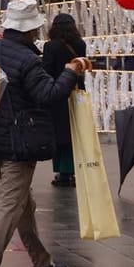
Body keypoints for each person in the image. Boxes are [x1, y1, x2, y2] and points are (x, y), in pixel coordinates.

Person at [0, 0, 86, 267]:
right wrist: (71, 71)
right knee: (10, 204)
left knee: (23, 203)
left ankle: (42, 264)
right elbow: (48, 94)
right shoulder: (27, 60)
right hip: (19, 143)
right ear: (32, 30)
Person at [42, 13, 87, 188]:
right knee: (73, 131)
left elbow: (46, 70)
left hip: (57, 92)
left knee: (60, 132)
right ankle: (70, 170)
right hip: (76, 91)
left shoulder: (50, 46)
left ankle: (63, 171)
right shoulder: (80, 44)